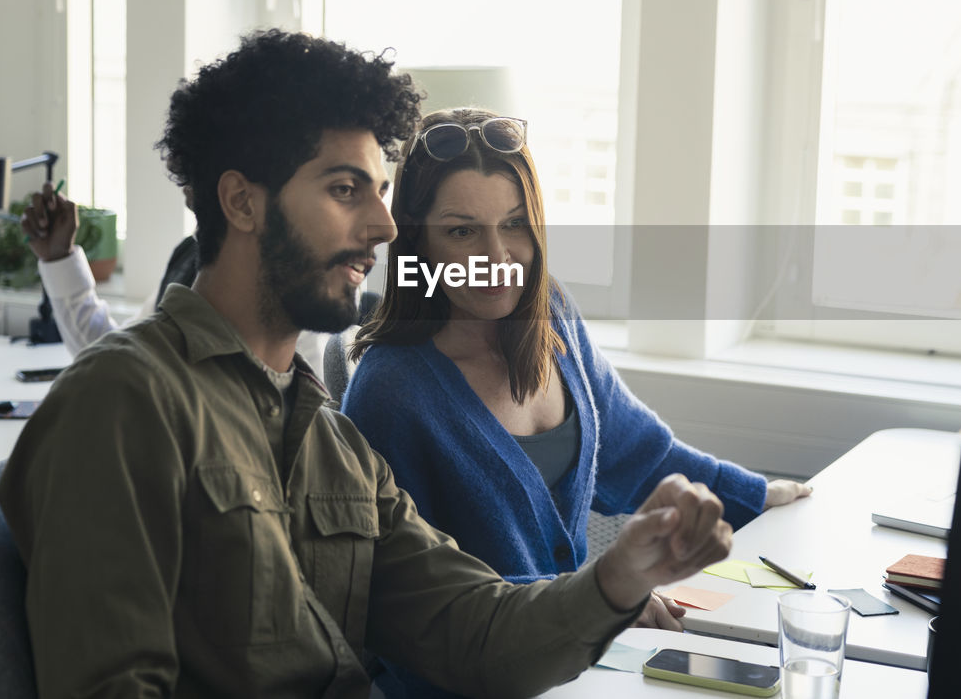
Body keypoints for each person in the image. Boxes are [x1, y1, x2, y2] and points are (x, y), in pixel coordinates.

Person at [0, 30, 736, 698]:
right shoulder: (126, 400)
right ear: (242, 202)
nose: (384, 226)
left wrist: (619, 576)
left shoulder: (328, 436)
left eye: (380, 192)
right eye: (345, 189)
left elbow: (474, 630)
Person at [342, 107, 811, 696]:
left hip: (577, 663)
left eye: (515, 224)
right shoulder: (391, 391)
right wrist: (600, 603)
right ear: (417, 242)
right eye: (462, 231)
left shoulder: (551, 316)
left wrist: (760, 498)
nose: (499, 256)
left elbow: (636, 450)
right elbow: (423, 605)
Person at [18, 184, 344, 380]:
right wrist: (59, 258)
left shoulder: (298, 291)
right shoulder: (189, 257)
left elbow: (312, 427)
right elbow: (115, 357)